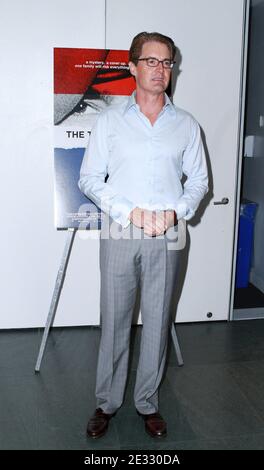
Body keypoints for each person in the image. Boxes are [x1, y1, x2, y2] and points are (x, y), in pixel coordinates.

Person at [78, 31, 208, 439]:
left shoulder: (186, 125)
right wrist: (129, 211)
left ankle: (147, 403)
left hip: (169, 235)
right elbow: (89, 179)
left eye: (167, 63)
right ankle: (107, 402)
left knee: (157, 321)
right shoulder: (109, 121)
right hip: (121, 229)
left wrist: (175, 212)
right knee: (115, 320)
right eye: (151, 61)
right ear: (133, 67)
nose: (160, 70)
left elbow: (199, 182)